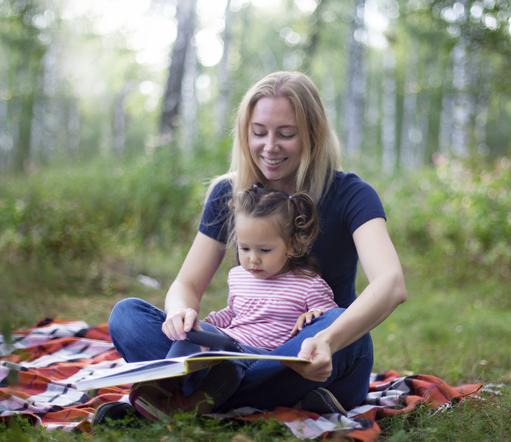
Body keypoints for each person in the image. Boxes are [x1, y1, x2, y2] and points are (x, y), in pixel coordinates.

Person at [108, 70, 407, 416]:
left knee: (339, 322)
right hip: (242, 348)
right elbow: (187, 284)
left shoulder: (352, 194)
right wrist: (180, 314)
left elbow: (391, 283)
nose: (269, 146)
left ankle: (188, 397)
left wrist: (327, 339)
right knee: (127, 316)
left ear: (313, 134)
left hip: (318, 356)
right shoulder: (228, 193)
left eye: (286, 134)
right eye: (259, 132)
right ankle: (223, 397)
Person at [128, 185, 338, 420]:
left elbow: (332, 320)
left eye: (265, 250)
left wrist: (313, 315)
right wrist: (200, 323)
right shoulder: (238, 276)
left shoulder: (309, 284)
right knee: (141, 317)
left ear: (291, 245)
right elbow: (234, 314)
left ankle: (185, 404)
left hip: (263, 359)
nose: (252, 258)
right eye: (244, 248)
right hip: (228, 346)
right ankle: (166, 388)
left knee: (228, 362)